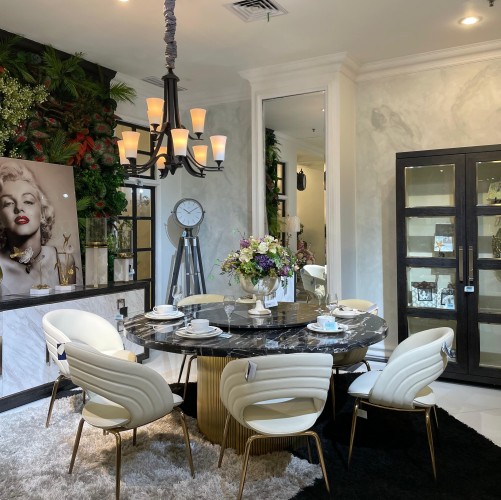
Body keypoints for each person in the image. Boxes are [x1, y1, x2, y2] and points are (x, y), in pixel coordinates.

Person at [0, 160, 76, 294]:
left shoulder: (64, 261)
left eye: (28, 201)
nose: (19, 208)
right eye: (8, 203)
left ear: (42, 211)